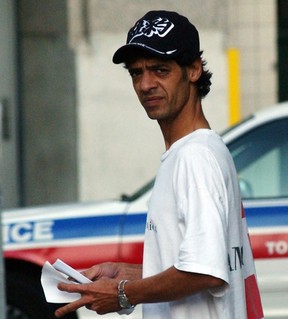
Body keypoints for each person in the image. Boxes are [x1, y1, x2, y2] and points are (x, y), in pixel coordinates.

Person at [55, 10, 263, 319]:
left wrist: (123, 294)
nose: (145, 84)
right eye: (136, 72)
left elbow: (206, 272)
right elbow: (201, 264)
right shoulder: (200, 149)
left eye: (160, 70)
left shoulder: (195, 157)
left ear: (193, 70)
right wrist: (128, 273)